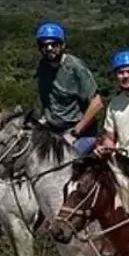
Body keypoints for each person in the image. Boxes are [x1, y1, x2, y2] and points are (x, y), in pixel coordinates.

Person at [33, 21, 103, 155]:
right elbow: (46, 97)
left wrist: (75, 132)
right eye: (44, 45)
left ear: (62, 45)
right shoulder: (43, 66)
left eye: (54, 44)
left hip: (80, 132)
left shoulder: (76, 68)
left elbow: (97, 103)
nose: (49, 48)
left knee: (65, 161)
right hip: (53, 128)